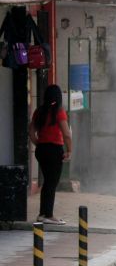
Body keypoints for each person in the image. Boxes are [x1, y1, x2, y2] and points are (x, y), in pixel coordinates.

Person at [28, 84, 72, 225]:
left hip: (41, 150)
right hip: (54, 150)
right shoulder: (59, 111)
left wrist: (39, 144)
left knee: (47, 182)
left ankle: (42, 214)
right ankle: (48, 215)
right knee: (51, 183)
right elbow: (66, 134)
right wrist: (69, 150)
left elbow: (31, 132)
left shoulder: (39, 111)